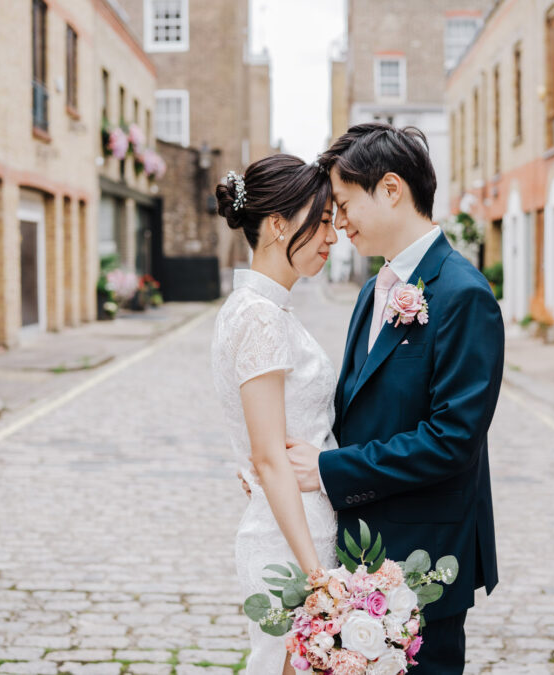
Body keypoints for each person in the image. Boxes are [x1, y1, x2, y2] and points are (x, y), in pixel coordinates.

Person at [284, 123, 504, 674]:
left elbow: (451, 440)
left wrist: (331, 469)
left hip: (425, 564)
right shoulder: (372, 290)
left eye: (342, 203)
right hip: (359, 553)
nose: (337, 222)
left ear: (389, 189)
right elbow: (356, 408)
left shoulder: (463, 295)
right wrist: (281, 459)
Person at [209, 154, 339, 674]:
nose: (333, 236)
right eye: (322, 220)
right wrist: (316, 576)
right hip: (292, 542)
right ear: (280, 223)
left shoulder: (260, 308)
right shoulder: (261, 317)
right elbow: (267, 455)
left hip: (298, 526)